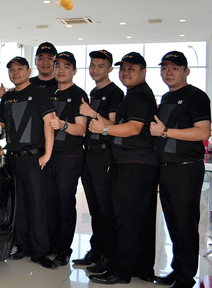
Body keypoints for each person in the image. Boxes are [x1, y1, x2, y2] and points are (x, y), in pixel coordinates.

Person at [0, 56, 56, 269]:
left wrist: (47, 153)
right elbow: (3, 124)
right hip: (13, 159)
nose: (15, 73)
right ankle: (22, 246)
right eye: (12, 70)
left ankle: (40, 252)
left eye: (20, 69)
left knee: (37, 205)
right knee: (19, 205)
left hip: (34, 158)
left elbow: (48, 122)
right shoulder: (7, 98)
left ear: (28, 71)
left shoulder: (38, 93)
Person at [88, 52, 158, 285]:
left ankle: (121, 271)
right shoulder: (134, 94)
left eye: (132, 69)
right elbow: (122, 125)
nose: (126, 73)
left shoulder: (138, 95)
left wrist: (104, 130)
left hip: (134, 163)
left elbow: (133, 128)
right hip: (136, 163)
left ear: (143, 72)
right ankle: (141, 267)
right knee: (139, 220)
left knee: (126, 220)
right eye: (123, 68)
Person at [149, 51, 210, 288]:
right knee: (173, 224)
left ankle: (186, 278)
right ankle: (177, 270)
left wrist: (165, 132)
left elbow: (203, 132)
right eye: (164, 68)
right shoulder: (165, 97)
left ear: (186, 71)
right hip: (166, 170)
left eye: (174, 68)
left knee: (185, 224)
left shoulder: (196, 96)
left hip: (186, 169)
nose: (169, 72)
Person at [73, 50, 124, 270]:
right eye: (93, 65)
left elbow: (112, 126)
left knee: (105, 207)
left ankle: (109, 255)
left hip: (104, 153)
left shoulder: (115, 92)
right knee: (93, 207)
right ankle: (97, 250)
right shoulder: (93, 91)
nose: (95, 69)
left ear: (110, 68)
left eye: (101, 66)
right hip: (89, 152)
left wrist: (92, 112)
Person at [44, 51, 88, 266]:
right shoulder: (49, 93)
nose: (60, 69)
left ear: (74, 71)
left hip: (69, 156)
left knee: (64, 203)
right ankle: (52, 244)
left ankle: (64, 249)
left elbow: (81, 129)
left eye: (66, 66)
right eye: (57, 65)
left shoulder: (79, 94)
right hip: (49, 156)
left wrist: (62, 124)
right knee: (50, 203)